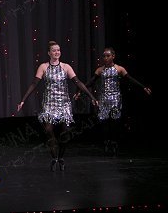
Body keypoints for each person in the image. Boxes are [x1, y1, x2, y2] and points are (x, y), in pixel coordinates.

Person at [16, 40, 97, 171]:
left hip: (64, 104)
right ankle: (54, 158)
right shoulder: (43, 67)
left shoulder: (66, 67)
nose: (56, 52)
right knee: (48, 130)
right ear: (49, 53)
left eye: (58, 50)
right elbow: (34, 84)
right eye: (54, 50)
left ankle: (61, 157)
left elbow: (78, 82)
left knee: (66, 132)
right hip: (49, 104)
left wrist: (91, 97)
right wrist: (23, 100)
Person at [74, 47, 152, 155]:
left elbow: (130, 79)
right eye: (104, 56)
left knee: (114, 121)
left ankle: (114, 142)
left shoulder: (119, 69)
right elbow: (91, 82)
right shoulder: (100, 70)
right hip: (104, 98)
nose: (105, 58)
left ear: (113, 56)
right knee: (105, 121)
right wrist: (80, 92)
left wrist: (143, 87)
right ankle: (107, 142)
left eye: (108, 56)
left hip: (115, 98)